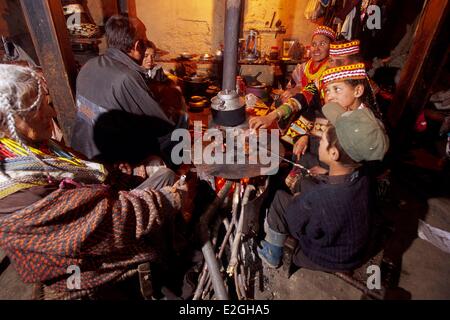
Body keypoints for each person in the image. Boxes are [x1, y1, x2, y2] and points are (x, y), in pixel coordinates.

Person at [0, 64, 190, 294]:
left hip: (102, 219)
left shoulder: (32, 148)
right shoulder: (18, 192)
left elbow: (87, 177)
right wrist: (170, 200)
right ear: (5, 122)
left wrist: (127, 175)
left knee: (166, 175)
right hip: (90, 271)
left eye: (46, 103)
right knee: (172, 203)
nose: (51, 113)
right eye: (37, 109)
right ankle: (171, 274)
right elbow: (108, 222)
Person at [257, 102, 389, 271]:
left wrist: (299, 202)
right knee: (305, 182)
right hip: (350, 249)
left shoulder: (319, 198)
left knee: (280, 200)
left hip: (326, 257)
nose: (318, 141)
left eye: (323, 138)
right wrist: (327, 172)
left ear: (334, 154)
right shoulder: (362, 177)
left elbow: (297, 225)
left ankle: (272, 253)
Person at [71, 15, 178, 168]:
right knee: (174, 136)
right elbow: (162, 127)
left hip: (81, 150)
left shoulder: (90, 65)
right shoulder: (126, 77)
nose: (146, 42)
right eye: (145, 39)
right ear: (137, 46)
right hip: (109, 164)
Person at [249, 25, 336, 131]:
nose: (316, 48)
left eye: (322, 44)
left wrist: (271, 116)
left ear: (331, 47)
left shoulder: (331, 71)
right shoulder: (303, 67)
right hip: (297, 106)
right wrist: (289, 92)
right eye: (314, 44)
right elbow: (291, 88)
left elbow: (307, 94)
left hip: (320, 115)